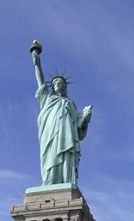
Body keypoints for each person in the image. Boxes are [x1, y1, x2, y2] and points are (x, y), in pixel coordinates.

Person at [32, 48, 92, 185]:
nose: (58, 84)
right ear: (52, 87)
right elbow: (40, 82)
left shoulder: (70, 103)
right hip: (50, 134)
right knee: (50, 157)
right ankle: (50, 182)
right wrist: (37, 64)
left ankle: (66, 180)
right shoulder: (47, 99)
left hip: (67, 136)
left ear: (65, 87)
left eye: (61, 83)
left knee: (66, 155)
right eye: (55, 83)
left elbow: (78, 125)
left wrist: (85, 118)